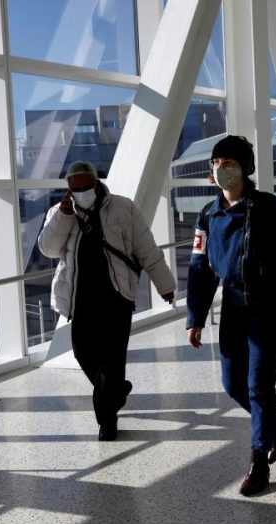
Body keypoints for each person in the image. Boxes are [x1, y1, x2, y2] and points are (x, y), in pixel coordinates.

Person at [186, 135, 276, 496]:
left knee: (259, 384)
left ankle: (258, 461)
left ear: (246, 168)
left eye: (229, 162)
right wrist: (195, 317)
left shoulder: (272, 209)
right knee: (233, 384)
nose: (221, 169)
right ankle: (275, 423)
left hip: (269, 306)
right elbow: (200, 267)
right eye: (216, 163)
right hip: (233, 306)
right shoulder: (207, 215)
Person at [38, 161, 176, 441]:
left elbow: (146, 247)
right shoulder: (60, 212)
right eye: (76, 188)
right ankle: (114, 391)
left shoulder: (122, 207)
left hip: (117, 295)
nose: (82, 191)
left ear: (96, 182)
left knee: (112, 360)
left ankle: (106, 420)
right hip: (81, 299)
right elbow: (48, 249)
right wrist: (63, 216)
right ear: (69, 189)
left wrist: (165, 285)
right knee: (83, 353)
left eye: (86, 186)